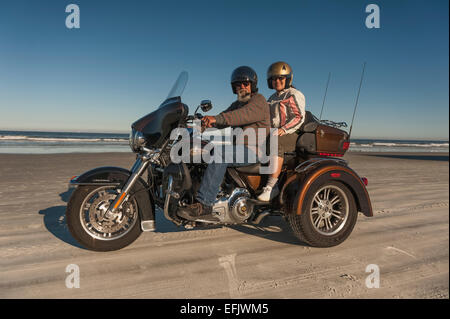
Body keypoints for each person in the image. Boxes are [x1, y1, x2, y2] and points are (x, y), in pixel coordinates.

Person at [177, 66, 271, 220]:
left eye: (245, 84)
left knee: (220, 153)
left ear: (252, 85)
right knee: (204, 149)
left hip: (254, 151)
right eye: (238, 84)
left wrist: (216, 119)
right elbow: (224, 117)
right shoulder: (238, 103)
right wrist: (204, 122)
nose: (242, 87)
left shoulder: (258, 101)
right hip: (238, 148)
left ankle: (205, 204)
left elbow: (239, 116)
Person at [257, 61, 306, 201]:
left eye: (281, 78)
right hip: (275, 133)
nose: (277, 81)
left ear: (288, 79)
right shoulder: (272, 98)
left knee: (275, 140)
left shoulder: (293, 94)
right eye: (274, 79)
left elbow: (299, 117)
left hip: (292, 134)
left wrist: (283, 129)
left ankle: (271, 187)